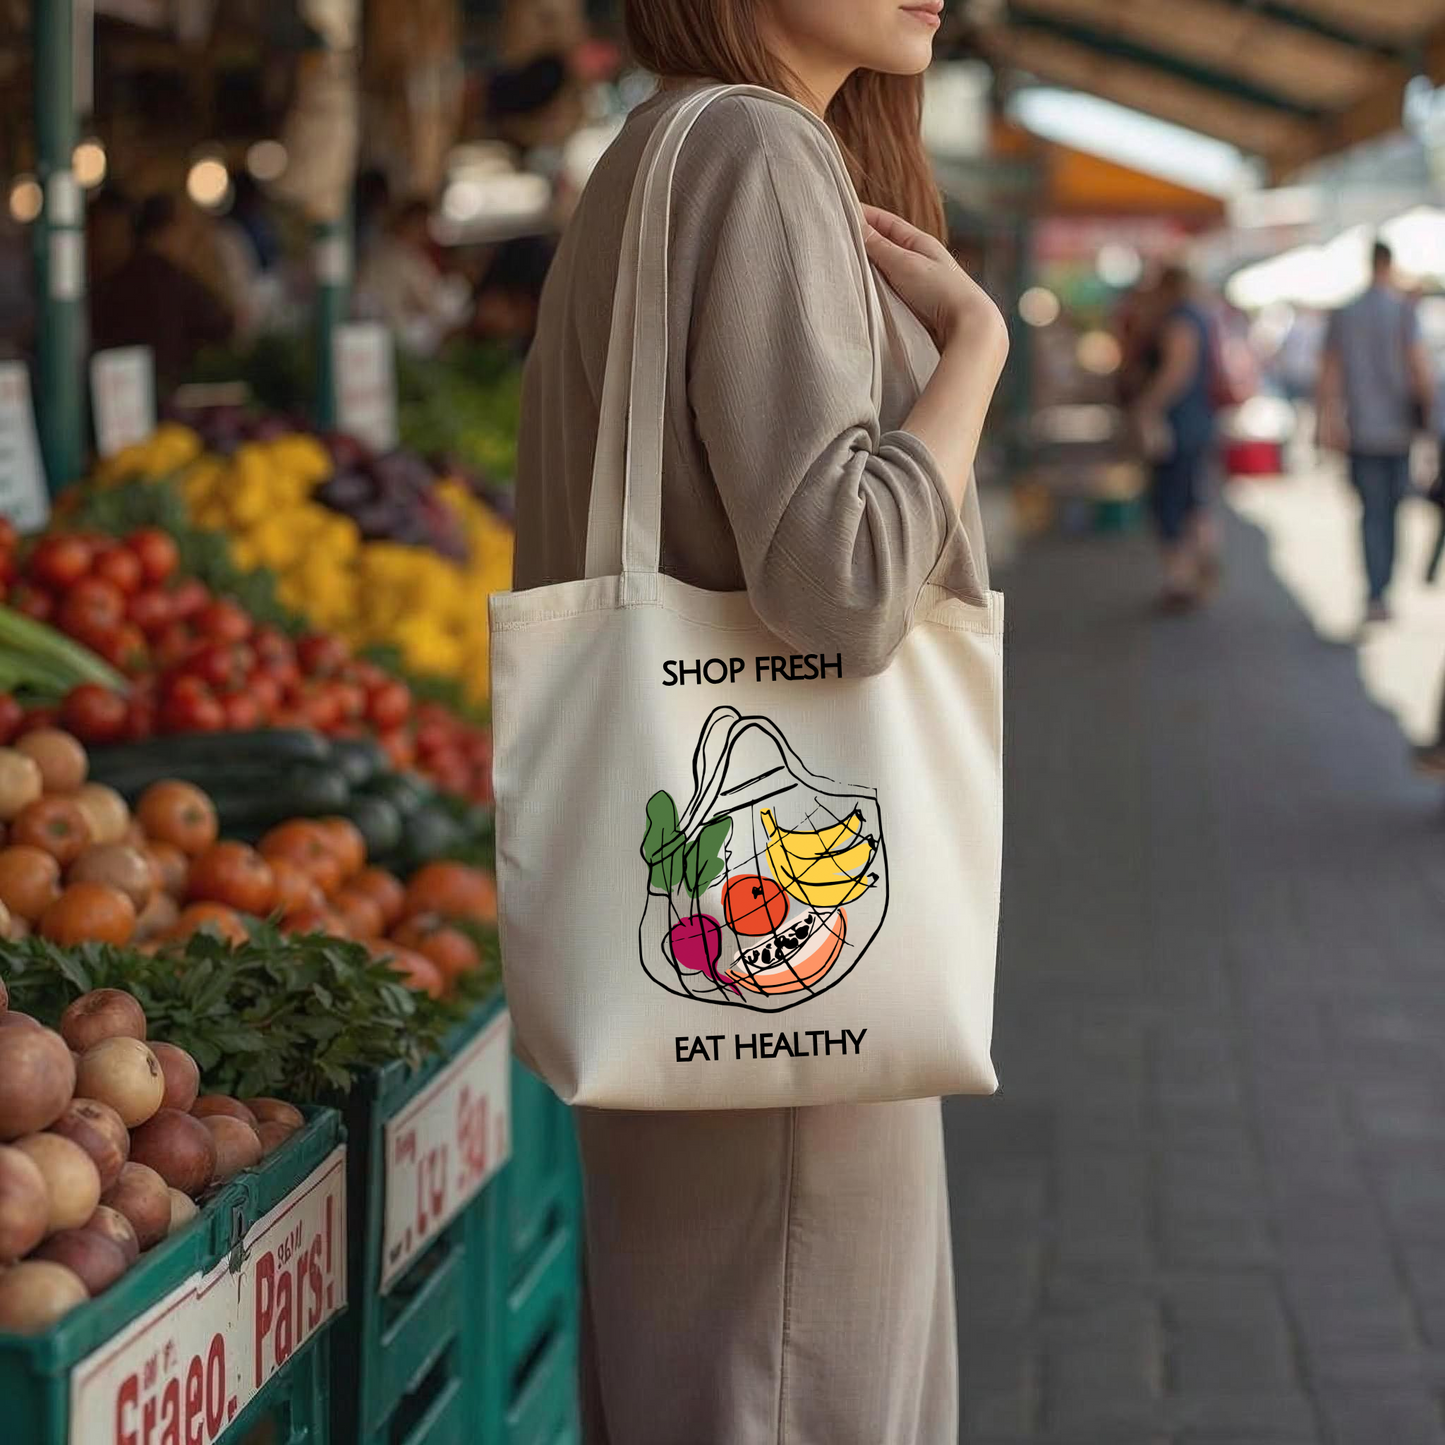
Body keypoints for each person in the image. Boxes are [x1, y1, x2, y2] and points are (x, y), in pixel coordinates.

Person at [512, 3, 1009, 1442]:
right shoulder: (752, 149)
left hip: (715, 964)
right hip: (788, 992)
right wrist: (973, 348)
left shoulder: (662, 147)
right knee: (792, 1384)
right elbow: (843, 581)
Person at [1317, 239, 1436, 624]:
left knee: (1372, 513)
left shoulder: (1346, 312)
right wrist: (1433, 421)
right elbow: (1419, 368)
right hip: (1398, 428)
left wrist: (1329, 420)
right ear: (1390, 265)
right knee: (1393, 511)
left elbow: (1330, 373)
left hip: (1361, 428)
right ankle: (1383, 589)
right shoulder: (1403, 311)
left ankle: (1374, 592)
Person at [1132, 263, 1220, 610]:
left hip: (1178, 423)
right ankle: (1201, 560)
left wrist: (1147, 405)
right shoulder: (1201, 315)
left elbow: (1176, 371)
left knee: (1171, 499)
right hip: (1198, 419)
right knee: (1192, 497)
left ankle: (1180, 577)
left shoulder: (1180, 319)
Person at [90, 194, 234, 394]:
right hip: (167, 396)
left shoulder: (113, 279)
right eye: (184, 230)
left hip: (118, 395)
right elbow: (224, 326)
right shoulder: (175, 281)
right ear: (168, 230)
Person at [353, 198, 471, 355]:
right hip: (396, 339)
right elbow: (431, 304)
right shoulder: (403, 257)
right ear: (411, 223)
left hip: (380, 337)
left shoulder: (383, 250)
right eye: (422, 224)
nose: (425, 231)